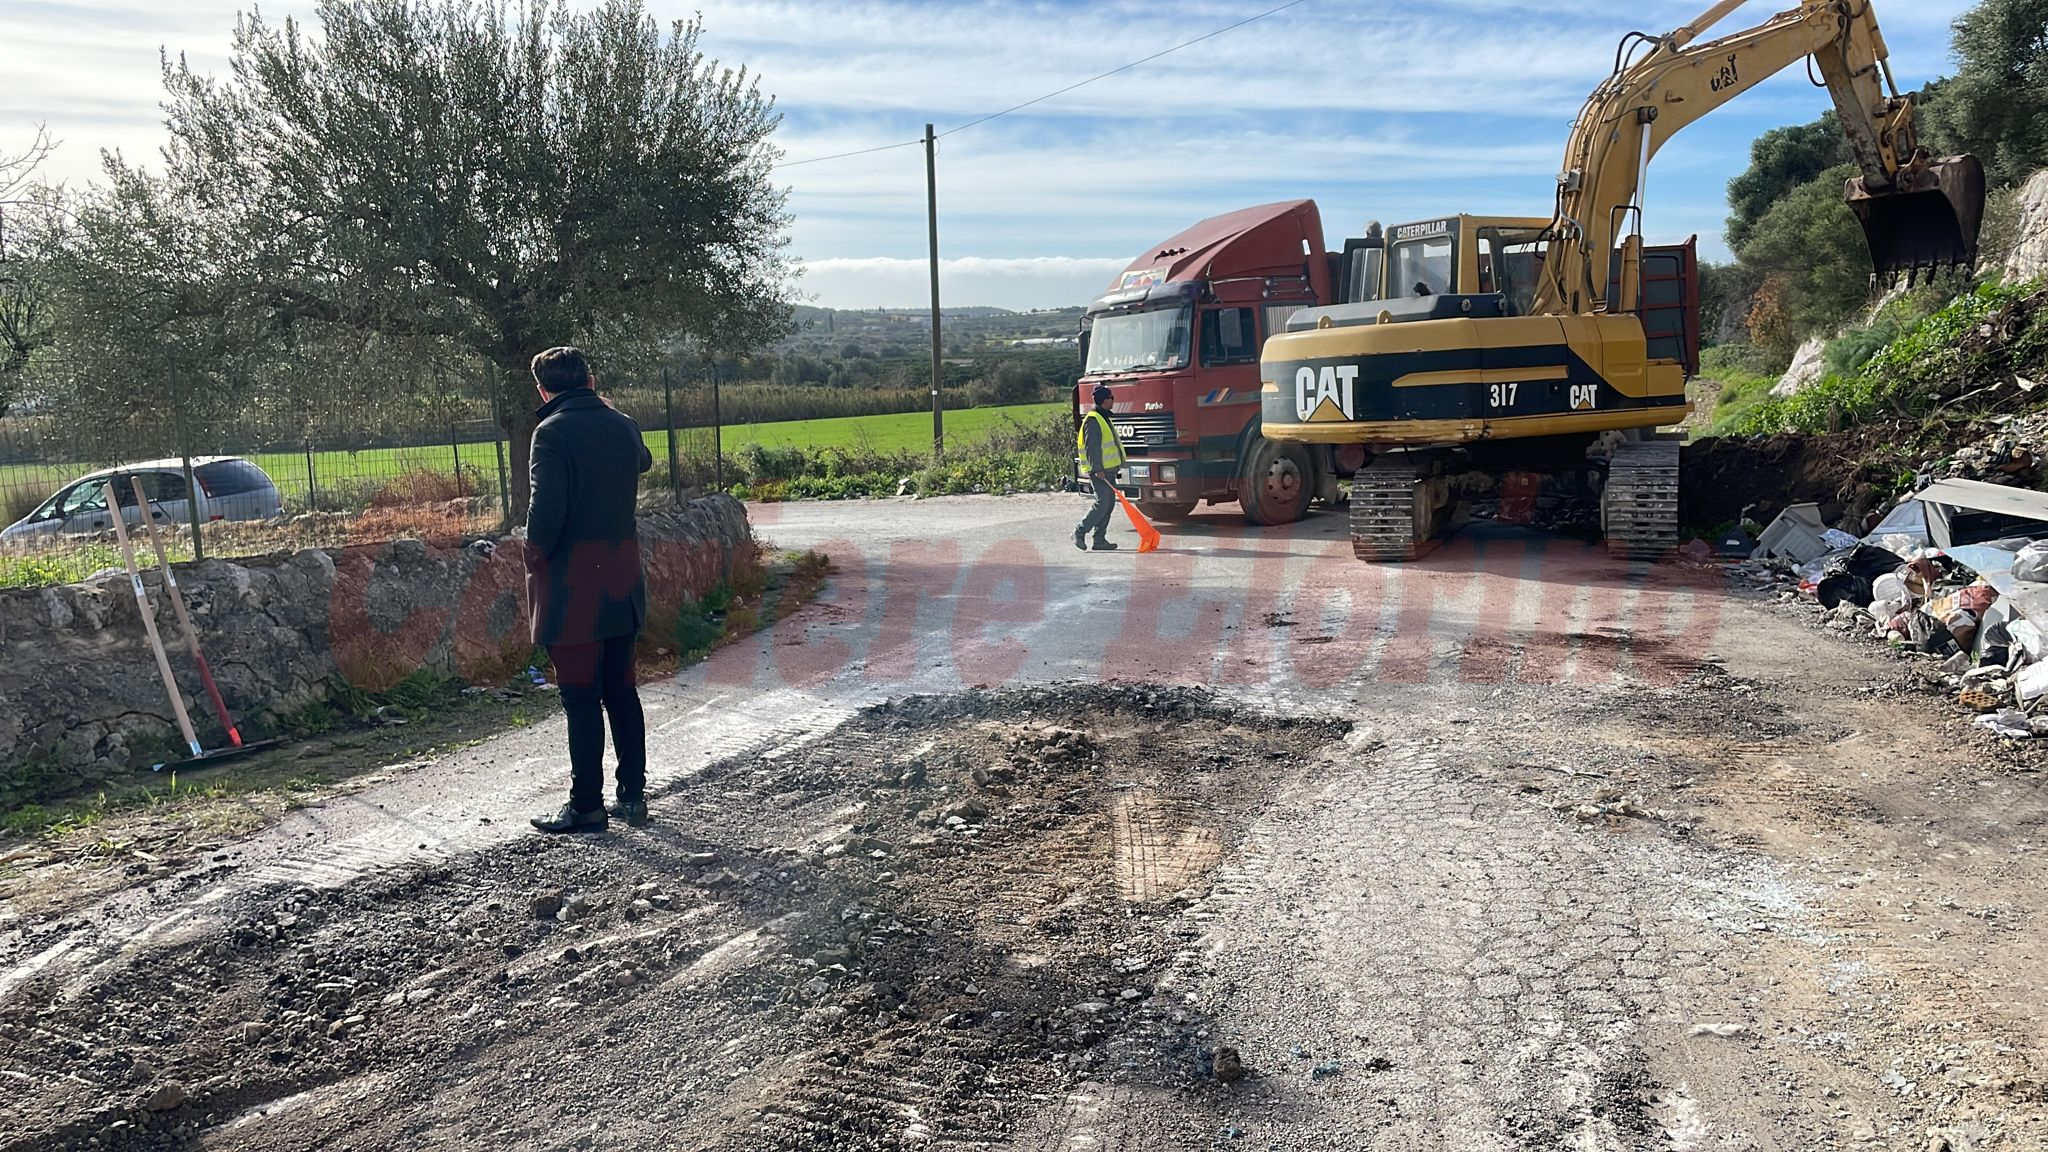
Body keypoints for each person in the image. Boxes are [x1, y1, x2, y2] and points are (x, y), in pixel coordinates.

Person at [524, 346, 655, 834]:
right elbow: (641, 461)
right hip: (622, 580)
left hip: (572, 587)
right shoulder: (624, 425)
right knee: (623, 691)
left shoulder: (550, 433)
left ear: (542, 390)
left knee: (580, 698)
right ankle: (633, 796)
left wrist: (531, 557)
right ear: (592, 380)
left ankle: (586, 806)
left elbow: (545, 514)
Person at [1074, 383, 1127, 552]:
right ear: (1105, 400)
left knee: (1108, 503)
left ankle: (1099, 539)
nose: (1113, 400)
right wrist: (1097, 469)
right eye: (1112, 398)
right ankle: (1079, 532)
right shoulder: (1093, 420)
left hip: (1109, 470)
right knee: (1102, 502)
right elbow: (1092, 448)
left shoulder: (1103, 417)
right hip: (1100, 471)